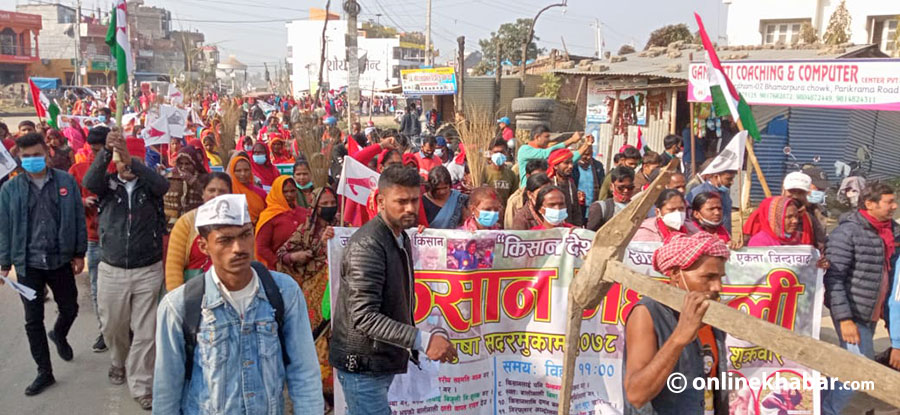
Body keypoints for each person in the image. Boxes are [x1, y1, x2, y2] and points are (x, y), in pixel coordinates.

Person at [153, 194, 324, 414]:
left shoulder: (283, 292)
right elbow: (166, 390)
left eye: (245, 235)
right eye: (225, 240)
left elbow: (304, 372)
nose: (239, 248)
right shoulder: (179, 306)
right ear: (204, 246)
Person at [330, 166, 456, 414]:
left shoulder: (399, 237)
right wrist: (423, 340)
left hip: (378, 359)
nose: (410, 208)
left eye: (414, 200)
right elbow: (364, 317)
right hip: (363, 363)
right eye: (401, 201)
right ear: (380, 201)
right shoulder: (368, 245)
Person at [84, 131, 169, 410]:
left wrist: (135, 162)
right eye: (122, 160)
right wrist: (108, 152)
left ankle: (142, 386)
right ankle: (117, 360)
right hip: (113, 269)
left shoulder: (151, 187)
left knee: (146, 332)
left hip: (148, 269)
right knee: (113, 326)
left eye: (131, 159)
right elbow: (88, 181)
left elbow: (163, 184)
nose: (126, 166)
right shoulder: (107, 186)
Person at [0, 132, 87, 396]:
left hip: (60, 259)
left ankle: (60, 333)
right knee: (32, 320)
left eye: (37, 155)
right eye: (26, 157)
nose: (32, 160)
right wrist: (4, 262)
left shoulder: (66, 181)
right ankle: (44, 372)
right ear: (19, 158)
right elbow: (4, 228)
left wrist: (79, 252)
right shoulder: (9, 190)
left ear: (47, 154)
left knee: (70, 307)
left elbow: (77, 217)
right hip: (28, 265)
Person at [623, 232, 730, 415]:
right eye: (708, 277)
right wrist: (679, 337)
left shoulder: (711, 318)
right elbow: (636, 395)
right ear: (675, 274)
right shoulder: (648, 313)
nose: (717, 287)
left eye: (720, 277)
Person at [822, 182, 899, 415]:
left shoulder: (890, 232)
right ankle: (827, 410)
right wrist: (844, 319)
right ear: (869, 204)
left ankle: (818, 405)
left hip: (870, 312)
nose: (894, 206)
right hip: (853, 314)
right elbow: (833, 278)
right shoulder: (847, 233)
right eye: (889, 202)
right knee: (858, 370)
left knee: (846, 367)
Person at [275, 187, 338, 404]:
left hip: (339, 293)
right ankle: (320, 394)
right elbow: (282, 254)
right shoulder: (304, 231)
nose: (330, 208)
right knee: (317, 345)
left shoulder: (344, 227)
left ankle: (338, 394)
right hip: (313, 295)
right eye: (325, 204)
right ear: (314, 207)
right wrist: (301, 255)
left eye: (332, 203)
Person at [69, 126, 109, 353]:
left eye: (100, 149)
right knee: (97, 288)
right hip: (93, 238)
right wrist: (82, 203)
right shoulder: (78, 169)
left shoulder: (117, 167)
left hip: (117, 238)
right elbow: (67, 201)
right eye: (92, 149)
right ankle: (104, 330)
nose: (96, 154)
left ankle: (121, 328)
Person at [165, 172, 232, 291]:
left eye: (222, 191)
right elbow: (173, 267)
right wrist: (178, 299)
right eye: (211, 190)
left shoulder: (238, 222)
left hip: (229, 290)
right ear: (202, 193)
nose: (216, 195)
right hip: (193, 292)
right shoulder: (186, 222)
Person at [743, 172, 825, 250]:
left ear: (807, 194)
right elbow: (748, 248)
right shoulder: (763, 214)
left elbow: (819, 246)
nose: (795, 196)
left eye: (800, 192)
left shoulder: (810, 219)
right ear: (783, 190)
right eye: (792, 191)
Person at [255, 175, 309, 269]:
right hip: (277, 270)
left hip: (305, 268)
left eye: (292, 191)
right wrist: (279, 263)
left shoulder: (304, 213)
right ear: (277, 192)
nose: (289, 195)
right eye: (285, 191)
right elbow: (261, 247)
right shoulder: (269, 216)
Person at [516, 126, 592, 187]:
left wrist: (586, 145)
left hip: (543, 190)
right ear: (537, 137)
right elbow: (545, 154)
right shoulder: (525, 150)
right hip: (527, 189)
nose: (549, 140)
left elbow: (565, 160)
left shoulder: (546, 151)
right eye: (546, 137)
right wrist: (571, 140)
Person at [163, 146, 207, 233]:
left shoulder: (204, 178)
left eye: (187, 164)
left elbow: (209, 197)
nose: (184, 167)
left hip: (196, 227)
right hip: (172, 227)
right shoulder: (169, 178)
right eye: (181, 164)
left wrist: (193, 182)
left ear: (194, 164)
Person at [587, 166, 636, 232]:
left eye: (630, 187)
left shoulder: (638, 207)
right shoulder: (600, 208)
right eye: (621, 187)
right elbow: (590, 235)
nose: (626, 190)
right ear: (611, 187)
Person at [504, 159, 547, 229]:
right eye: (536, 176)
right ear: (528, 176)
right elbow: (509, 228)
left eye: (543, 176)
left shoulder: (553, 197)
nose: (540, 180)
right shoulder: (515, 201)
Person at [547, 147, 584, 227]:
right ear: (555, 166)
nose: (570, 166)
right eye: (566, 163)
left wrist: (578, 229)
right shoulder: (548, 185)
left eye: (571, 163)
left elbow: (576, 212)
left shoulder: (571, 184)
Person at [481, 138, 518, 214]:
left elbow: (513, 197)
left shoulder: (511, 174)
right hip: (487, 212)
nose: (499, 155)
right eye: (496, 152)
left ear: (506, 153)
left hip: (504, 213)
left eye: (502, 152)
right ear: (490, 153)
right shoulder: (483, 172)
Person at [226, 154, 267, 224]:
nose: (243, 174)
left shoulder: (261, 193)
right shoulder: (228, 193)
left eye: (246, 170)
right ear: (232, 172)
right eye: (238, 171)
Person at [572, 144, 605, 222]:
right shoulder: (573, 167)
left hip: (593, 204)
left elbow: (602, 184)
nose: (589, 157)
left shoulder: (597, 166)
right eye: (586, 154)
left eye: (591, 153)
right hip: (578, 205)